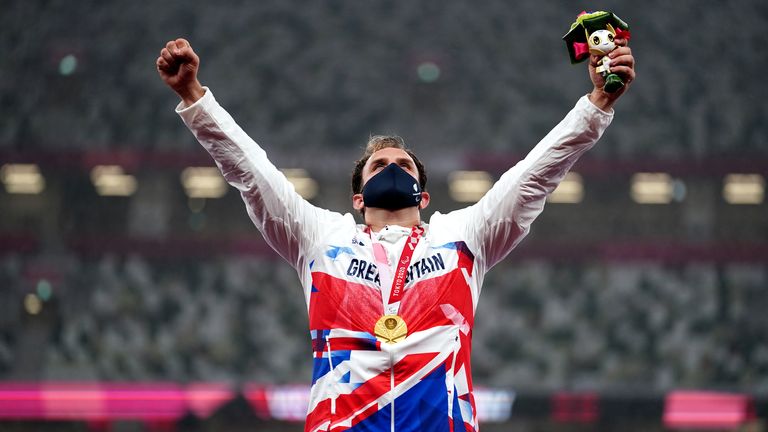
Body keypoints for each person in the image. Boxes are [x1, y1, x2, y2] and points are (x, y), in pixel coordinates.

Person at [157, 35, 635, 432]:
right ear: (358, 198)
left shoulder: (464, 237)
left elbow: (535, 176)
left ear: (423, 197)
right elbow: (250, 171)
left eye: (402, 164)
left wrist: (597, 104)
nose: (391, 167)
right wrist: (195, 97)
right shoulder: (320, 239)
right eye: (379, 165)